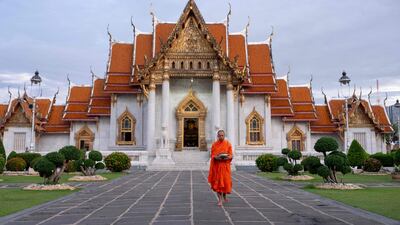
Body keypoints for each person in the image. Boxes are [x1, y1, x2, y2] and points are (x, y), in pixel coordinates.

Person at [208, 129, 233, 206]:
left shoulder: (228, 144)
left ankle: (224, 196)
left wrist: (227, 157)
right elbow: (212, 155)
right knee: (218, 184)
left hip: (225, 166)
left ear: (224, 136)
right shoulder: (214, 145)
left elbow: (231, 155)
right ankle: (220, 200)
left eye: (222, 135)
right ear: (217, 136)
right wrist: (216, 157)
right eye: (220, 135)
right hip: (217, 167)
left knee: (225, 183)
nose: (221, 137)